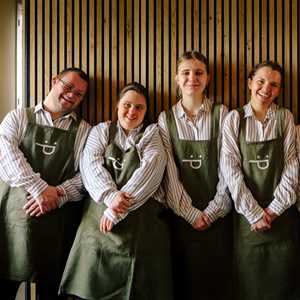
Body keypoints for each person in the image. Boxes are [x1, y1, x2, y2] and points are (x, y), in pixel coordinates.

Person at [59, 82, 173, 300]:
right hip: (97, 231)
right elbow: (90, 167)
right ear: (117, 106)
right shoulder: (100, 131)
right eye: (127, 105)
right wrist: (111, 197)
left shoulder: (152, 135)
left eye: (139, 107)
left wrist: (115, 211)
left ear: (146, 111)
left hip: (139, 235)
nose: (132, 111)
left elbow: (149, 174)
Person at [0, 67, 91, 300]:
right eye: (68, 87)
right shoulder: (18, 117)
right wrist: (41, 190)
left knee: (51, 293)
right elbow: (8, 159)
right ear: (54, 81)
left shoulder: (84, 131)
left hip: (57, 223)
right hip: (12, 222)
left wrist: (57, 194)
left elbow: (86, 178)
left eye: (79, 94)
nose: (72, 95)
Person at [221, 61, 300, 300]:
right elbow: (230, 170)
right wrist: (255, 213)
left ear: (279, 90)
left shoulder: (285, 117)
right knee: (249, 287)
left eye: (274, 84)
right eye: (261, 81)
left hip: (283, 218)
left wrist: (274, 210)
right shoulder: (234, 119)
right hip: (248, 221)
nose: (267, 88)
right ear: (249, 83)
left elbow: (293, 165)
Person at [158, 51, 232, 300]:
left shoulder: (223, 115)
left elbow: (229, 169)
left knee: (216, 285)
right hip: (180, 218)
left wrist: (211, 212)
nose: (193, 78)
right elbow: (168, 173)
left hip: (218, 218)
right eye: (186, 73)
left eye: (199, 72)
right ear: (177, 78)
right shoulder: (165, 119)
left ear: (208, 78)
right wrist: (190, 214)